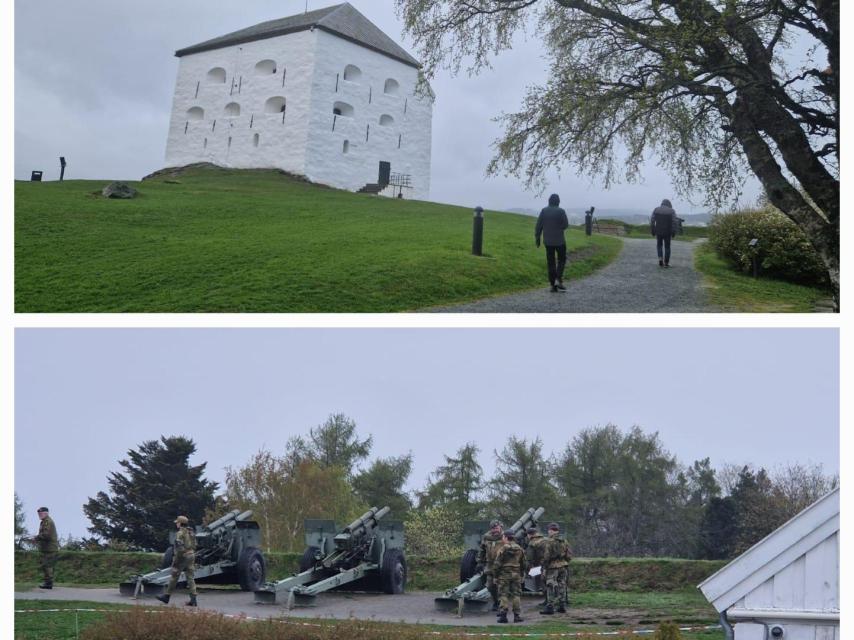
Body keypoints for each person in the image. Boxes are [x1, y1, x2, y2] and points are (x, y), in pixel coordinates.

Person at [156, 515, 198, 606]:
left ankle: (166, 596)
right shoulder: (191, 532)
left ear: (180, 523)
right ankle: (193, 600)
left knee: (174, 576)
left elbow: (179, 548)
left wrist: (176, 561)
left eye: (177, 523)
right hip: (191, 555)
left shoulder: (180, 533)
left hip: (183, 556)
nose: (176, 524)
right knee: (190, 577)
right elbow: (195, 545)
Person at [535, 193, 570, 292]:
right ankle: (558, 278)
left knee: (551, 262)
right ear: (558, 201)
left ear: (549, 201)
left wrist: (537, 238)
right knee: (562, 260)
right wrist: (559, 228)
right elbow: (566, 225)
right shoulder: (561, 211)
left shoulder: (544, 211)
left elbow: (538, 226)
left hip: (548, 241)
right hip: (560, 241)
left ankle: (552, 285)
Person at [494, 530, 527, 623]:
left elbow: (497, 564)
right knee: (516, 595)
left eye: (503, 537)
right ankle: (517, 616)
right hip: (516, 575)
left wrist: (495, 576)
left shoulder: (503, 549)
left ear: (506, 537)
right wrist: (522, 573)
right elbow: (524, 563)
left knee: (503, 594)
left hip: (504, 575)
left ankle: (503, 616)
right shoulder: (520, 549)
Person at [540, 522, 572, 615]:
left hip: (552, 567)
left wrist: (544, 566)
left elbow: (546, 556)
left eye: (549, 530)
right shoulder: (564, 541)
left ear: (551, 530)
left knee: (550, 585)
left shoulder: (549, 542)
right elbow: (569, 554)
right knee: (562, 584)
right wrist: (565, 562)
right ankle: (562, 605)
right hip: (563, 566)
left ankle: (550, 606)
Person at [476, 519, 504, 611]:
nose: (494, 530)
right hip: (490, 566)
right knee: (490, 586)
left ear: (500, 527)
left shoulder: (505, 537)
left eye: (496, 528)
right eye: (492, 528)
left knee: (502, 586)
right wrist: (479, 562)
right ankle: (496, 601)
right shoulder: (487, 538)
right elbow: (482, 551)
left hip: (502, 566)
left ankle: (502, 604)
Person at [31, 507, 58, 589]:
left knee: (47, 565)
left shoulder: (48, 522)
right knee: (45, 565)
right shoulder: (44, 522)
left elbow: (46, 534)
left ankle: (49, 584)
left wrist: (36, 538)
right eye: (39, 514)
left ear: (46, 513)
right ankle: (47, 582)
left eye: (41, 513)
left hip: (50, 548)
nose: (39, 515)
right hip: (47, 548)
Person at [650, 199, 678, 267]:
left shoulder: (656, 209)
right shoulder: (672, 211)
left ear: (662, 203)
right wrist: (673, 232)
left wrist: (653, 231)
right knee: (667, 247)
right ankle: (666, 263)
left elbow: (652, 221)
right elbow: (674, 222)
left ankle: (660, 259)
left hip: (658, 231)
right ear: (669, 204)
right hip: (667, 232)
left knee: (659, 245)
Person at [525, 526, 547, 605]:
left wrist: (528, 570)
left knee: (542, 582)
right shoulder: (545, 539)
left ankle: (547, 600)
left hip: (539, 565)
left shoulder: (532, 543)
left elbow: (529, 558)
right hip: (549, 564)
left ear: (529, 535)